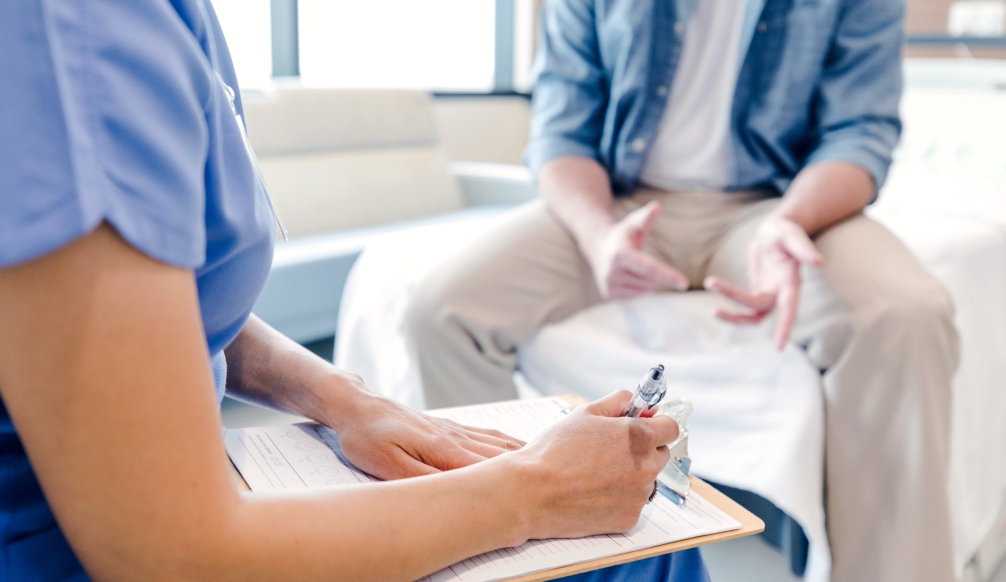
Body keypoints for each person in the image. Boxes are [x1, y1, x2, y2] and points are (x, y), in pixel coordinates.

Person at [0, 1, 711, 581]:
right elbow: (170, 556)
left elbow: (160, 298)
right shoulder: (66, 34)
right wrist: (534, 490)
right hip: (66, 550)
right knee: (647, 554)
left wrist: (342, 399)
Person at [403, 0, 960, 580]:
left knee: (908, 315)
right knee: (441, 310)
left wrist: (789, 221)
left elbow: (859, 132)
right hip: (620, 203)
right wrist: (599, 239)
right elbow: (561, 133)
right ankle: (498, 549)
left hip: (772, 205)